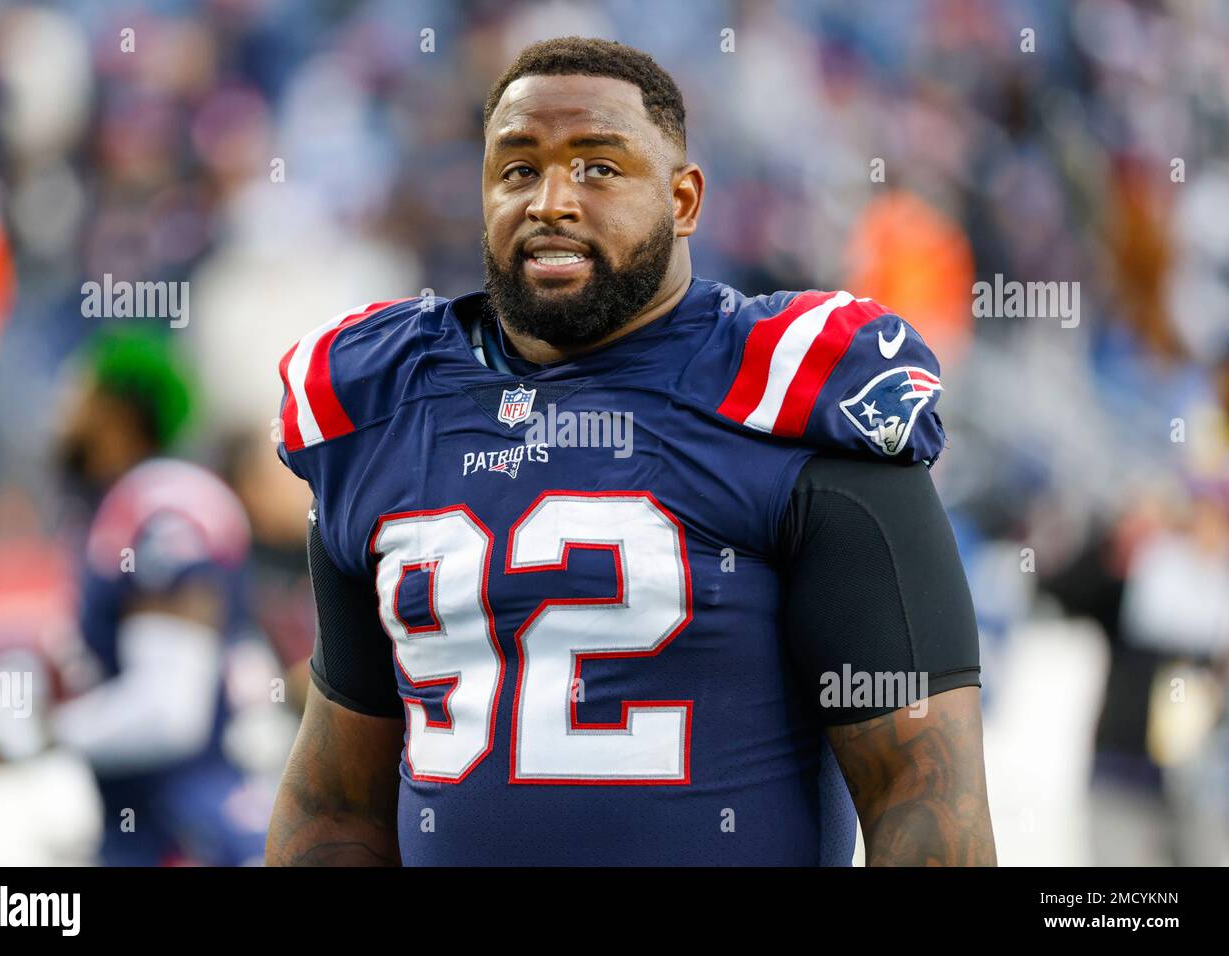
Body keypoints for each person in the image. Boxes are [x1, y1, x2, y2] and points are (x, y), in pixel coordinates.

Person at [267, 37, 995, 866]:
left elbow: (922, 793)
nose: (550, 201)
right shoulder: (384, 405)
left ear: (684, 201)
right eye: (516, 170)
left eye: (598, 168)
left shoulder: (786, 394)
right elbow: (336, 801)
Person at [52, 327, 264, 865]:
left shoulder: (162, 505)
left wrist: (44, 738)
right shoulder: (124, 503)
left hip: (181, 828)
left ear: (115, 411)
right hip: (153, 821)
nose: (61, 414)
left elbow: (169, 712)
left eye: (78, 393)